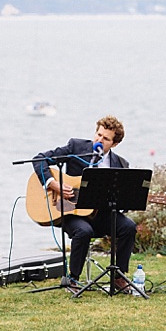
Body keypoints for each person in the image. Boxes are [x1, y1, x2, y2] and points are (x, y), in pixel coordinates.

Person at [31, 115, 136, 293]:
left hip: (100, 214)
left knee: (129, 227)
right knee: (83, 230)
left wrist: (126, 200)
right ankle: (72, 280)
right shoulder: (76, 147)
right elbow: (39, 159)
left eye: (106, 139)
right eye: (99, 135)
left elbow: (121, 204)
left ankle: (118, 277)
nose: (100, 140)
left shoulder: (120, 164)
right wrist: (53, 184)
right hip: (71, 212)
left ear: (115, 144)